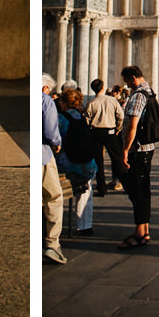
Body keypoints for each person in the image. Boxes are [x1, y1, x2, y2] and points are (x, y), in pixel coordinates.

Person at [117, 65, 159, 250]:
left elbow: (133, 124)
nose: (127, 86)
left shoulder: (138, 95)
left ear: (134, 78)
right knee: (142, 189)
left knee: (137, 190)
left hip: (138, 149)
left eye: (127, 82)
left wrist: (125, 149)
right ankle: (144, 229)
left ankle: (139, 233)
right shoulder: (150, 92)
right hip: (147, 148)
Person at [56, 88, 97, 235]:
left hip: (67, 164)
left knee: (55, 194)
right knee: (86, 191)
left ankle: (55, 227)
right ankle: (85, 225)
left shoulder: (61, 119)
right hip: (87, 165)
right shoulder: (82, 118)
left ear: (64, 102)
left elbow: (56, 141)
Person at [82, 78, 124, 197]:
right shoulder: (112, 100)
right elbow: (120, 115)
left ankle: (102, 189)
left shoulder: (91, 103)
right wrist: (118, 128)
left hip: (96, 133)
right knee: (117, 159)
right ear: (103, 87)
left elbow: (86, 120)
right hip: (110, 131)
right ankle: (126, 184)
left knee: (99, 162)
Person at [41, 73, 66, 265]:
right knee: (54, 196)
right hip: (42, 155)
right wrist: (56, 143)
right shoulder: (45, 101)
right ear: (45, 89)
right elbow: (51, 132)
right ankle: (52, 243)